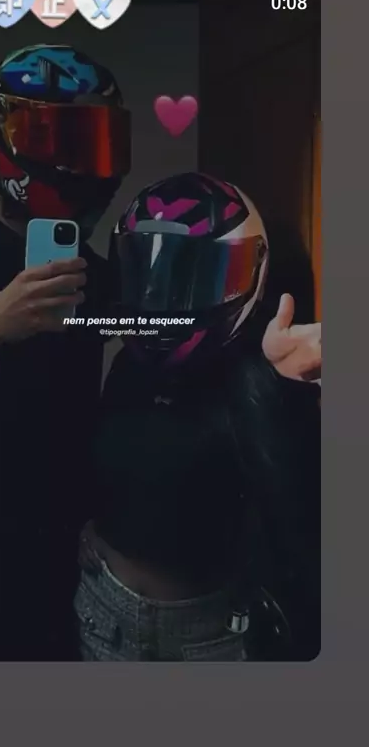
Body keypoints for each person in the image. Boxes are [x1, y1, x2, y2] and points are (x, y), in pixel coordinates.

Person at [75, 172, 321, 662]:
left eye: (192, 278)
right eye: (155, 276)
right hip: (103, 616)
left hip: (207, 634)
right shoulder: (127, 367)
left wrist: (289, 389)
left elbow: (299, 514)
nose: (168, 300)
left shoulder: (254, 379)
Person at [0, 45, 131, 661]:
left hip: (85, 573)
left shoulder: (92, 273)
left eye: (93, 144)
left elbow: (152, 346)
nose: (79, 165)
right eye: (57, 141)